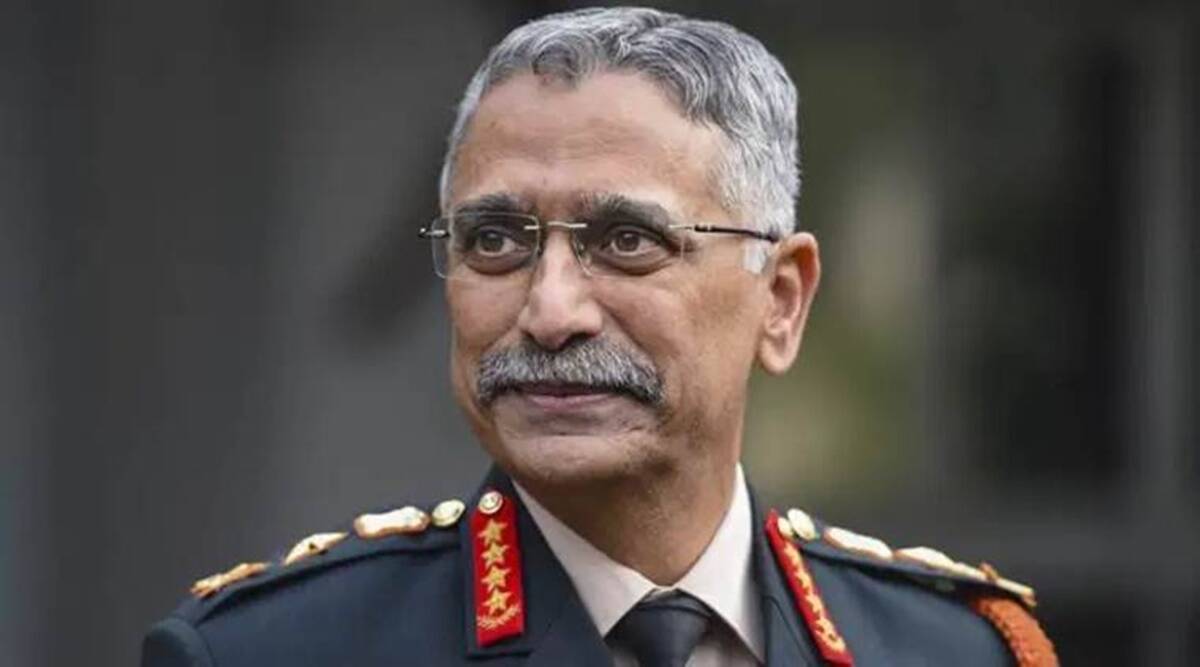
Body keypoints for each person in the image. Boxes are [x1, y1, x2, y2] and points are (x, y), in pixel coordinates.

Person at [142, 7, 1057, 666]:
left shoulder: (953, 649)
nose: (551, 310)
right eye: (494, 241)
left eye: (626, 240)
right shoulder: (275, 650)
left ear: (780, 300)